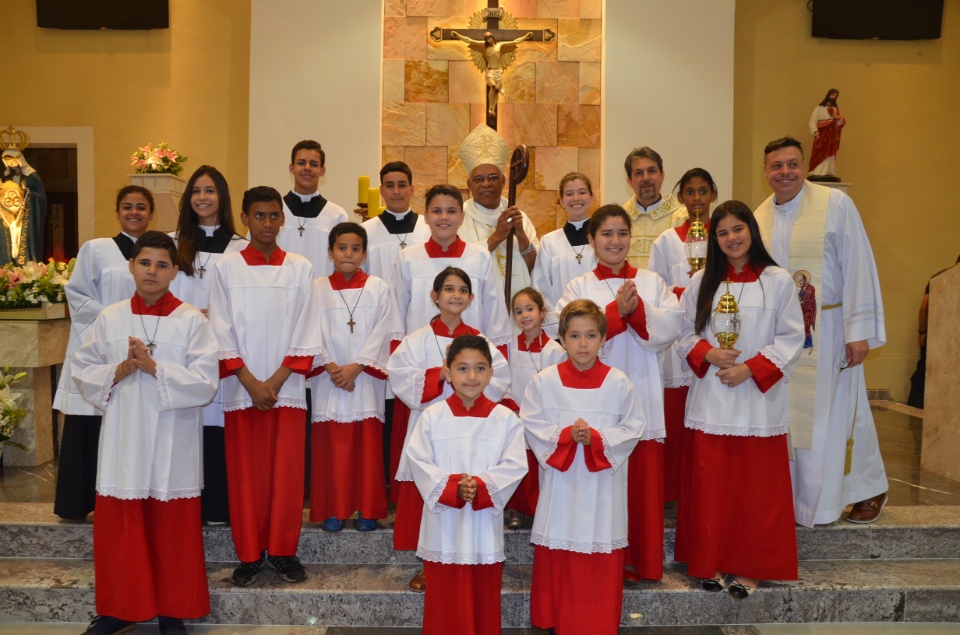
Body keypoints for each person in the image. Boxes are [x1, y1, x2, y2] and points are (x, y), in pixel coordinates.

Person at [72, 231, 218, 635]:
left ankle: (173, 609)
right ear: (131, 266)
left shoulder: (191, 320)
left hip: (174, 438)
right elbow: (84, 369)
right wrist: (118, 369)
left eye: (161, 264)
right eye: (144, 263)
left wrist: (155, 368)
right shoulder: (111, 317)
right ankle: (122, 610)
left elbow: (207, 382)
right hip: (125, 435)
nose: (152, 271)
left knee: (172, 529)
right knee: (124, 529)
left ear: (174, 272)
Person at [755, 136, 887, 527]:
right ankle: (800, 501)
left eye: (792, 164)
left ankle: (866, 488)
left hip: (828, 329)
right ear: (765, 172)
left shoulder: (835, 205)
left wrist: (858, 329)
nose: (785, 172)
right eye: (776, 165)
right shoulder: (759, 216)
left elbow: (858, 263)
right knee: (789, 419)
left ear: (803, 167)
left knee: (839, 412)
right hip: (782, 336)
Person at [674, 201, 803, 599]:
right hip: (712, 398)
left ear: (751, 230)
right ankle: (708, 562)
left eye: (738, 229)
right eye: (723, 232)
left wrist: (751, 369)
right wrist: (708, 354)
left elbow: (792, 338)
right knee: (713, 488)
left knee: (754, 492)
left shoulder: (778, 280)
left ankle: (749, 567)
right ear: (714, 240)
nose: (731, 238)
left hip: (756, 401)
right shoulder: (702, 282)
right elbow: (682, 334)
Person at [557, 204, 683, 582]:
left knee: (640, 485)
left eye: (622, 233)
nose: (615, 241)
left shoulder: (651, 281)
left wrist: (637, 311)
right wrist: (615, 312)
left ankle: (640, 561)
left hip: (640, 392)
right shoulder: (578, 286)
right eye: (606, 234)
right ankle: (601, 561)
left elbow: (670, 327)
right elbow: (566, 332)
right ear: (592, 240)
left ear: (631, 238)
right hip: (592, 400)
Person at [208, 186, 323, 586]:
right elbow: (219, 328)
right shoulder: (227, 268)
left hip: (285, 390)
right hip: (243, 391)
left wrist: (274, 381)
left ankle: (283, 551)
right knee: (246, 476)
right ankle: (250, 553)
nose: (268, 224)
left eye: (275, 216)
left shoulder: (300, 267)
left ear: (283, 219)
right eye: (259, 216)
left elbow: (308, 325)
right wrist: (248, 380)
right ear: (244, 218)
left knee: (287, 476)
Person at [521, 299, 644, 635]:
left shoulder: (618, 382)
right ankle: (554, 616)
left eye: (591, 335)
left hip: (602, 486)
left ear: (604, 339)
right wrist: (565, 435)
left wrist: (596, 438)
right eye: (574, 335)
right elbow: (530, 422)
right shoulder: (544, 381)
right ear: (561, 338)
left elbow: (634, 427)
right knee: (558, 543)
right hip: (562, 485)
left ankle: (597, 622)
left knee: (599, 548)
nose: (583, 343)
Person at [387, 267, 511, 592]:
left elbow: (500, 377)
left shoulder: (480, 341)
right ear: (435, 296)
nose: (455, 295)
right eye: (448, 289)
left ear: (470, 298)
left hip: (472, 432)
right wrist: (438, 376)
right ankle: (430, 565)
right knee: (431, 495)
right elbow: (398, 375)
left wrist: (470, 384)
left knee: (466, 493)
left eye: (462, 290)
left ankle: (469, 558)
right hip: (431, 429)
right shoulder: (417, 340)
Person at [406, 334, 527, 635]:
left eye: (480, 368)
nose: (471, 376)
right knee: (444, 599)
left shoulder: (505, 419)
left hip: (483, 522)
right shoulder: (432, 416)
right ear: (446, 373)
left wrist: (482, 486)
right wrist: (453, 487)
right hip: (443, 522)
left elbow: (514, 466)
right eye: (462, 368)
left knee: (482, 596)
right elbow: (418, 461)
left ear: (490, 373)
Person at [53, 185, 154, 521]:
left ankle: (122, 501)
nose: (134, 212)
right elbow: (78, 295)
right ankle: (78, 501)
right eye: (127, 206)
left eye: (141, 207)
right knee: (89, 424)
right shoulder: (97, 249)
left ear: (151, 213)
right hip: (99, 346)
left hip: (138, 349)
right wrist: (112, 321)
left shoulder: (155, 253)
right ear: (117, 212)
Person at [170, 165, 247, 525]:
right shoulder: (170, 244)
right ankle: (185, 505)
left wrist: (214, 314)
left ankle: (218, 505)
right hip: (181, 347)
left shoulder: (240, 248)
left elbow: (247, 303)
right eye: (196, 191)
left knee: (217, 427)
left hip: (224, 347)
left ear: (223, 198)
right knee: (187, 424)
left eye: (210, 190)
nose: (203, 197)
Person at [308, 223, 392, 532]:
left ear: (364, 253)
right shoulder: (316, 288)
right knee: (332, 449)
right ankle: (334, 509)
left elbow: (383, 332)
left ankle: (368, 509)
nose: (348, 254)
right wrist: (330, 365)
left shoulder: (378, 288)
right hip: (328, 382)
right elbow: (308, 330)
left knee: (366, 448)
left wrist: (357, 366)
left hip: (364, 381)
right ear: (330, 252)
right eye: (342, 248)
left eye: (355, 248)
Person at [648, 167, 718, 502]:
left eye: (703, 192)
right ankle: (675, 490)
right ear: (680, 199)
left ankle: (704, 487)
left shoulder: (724, 235)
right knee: (676, 417)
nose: (696, 200)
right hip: (679, 339)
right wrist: (686, 289)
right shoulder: (666, 241)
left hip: (714, 333)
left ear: (713, 195)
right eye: (689, 193)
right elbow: (655, 291)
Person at [502, 287, 567, 529]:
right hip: (515, 411)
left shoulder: (556, 351)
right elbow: (502, 379)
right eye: (518, 311)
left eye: (529, 309)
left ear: (542, 312)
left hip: (541, 416)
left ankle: (539, 507)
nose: (524, 315)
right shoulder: (508, 346)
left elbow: (558, 386)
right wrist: (512, 406)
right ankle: (516, 508)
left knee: (539, 462)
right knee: (518, 461)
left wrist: (537, 412)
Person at [457, 124, 539, 292]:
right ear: (469, 185)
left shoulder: (519, 216)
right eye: (479, 179)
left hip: (519, 311)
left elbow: (538, 270)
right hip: (478, 305)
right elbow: (459, 265)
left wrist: (522, 237)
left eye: (493, 177)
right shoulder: (459, 220)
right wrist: (497, 236)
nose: (486, 184)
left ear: (503, 182)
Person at [531, 172, 596, 338]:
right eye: (569, 194)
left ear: (592, 197)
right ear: (561, 200)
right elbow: (541, 288)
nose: (576, 198)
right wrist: (560, 326)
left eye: (582, 192)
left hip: (598, 326)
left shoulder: (603, 238)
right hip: (561, 329)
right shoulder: (549, 241)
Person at [275, 139, 349, 278]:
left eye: (314, 164)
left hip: (322, 295)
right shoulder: (274, 212)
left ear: (322, 171)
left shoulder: (336, 216)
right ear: (291, 168)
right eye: (301, 163)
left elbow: (344, 265)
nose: (307, 168)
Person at [361, 161, 431, 280]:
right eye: (389, 185)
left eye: (402, 185)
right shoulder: (366, 231)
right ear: (381, 191)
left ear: (412, 189)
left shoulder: (428, 228)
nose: (396, 191)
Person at [907, 255, 960, 408]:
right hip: (951, 338)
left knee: (925, 372)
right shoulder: (950, 278)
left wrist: (922, 332)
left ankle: (916, 410)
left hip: (934, 335)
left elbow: (924, 306)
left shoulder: (938, 277)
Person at [622, 146, 686, 269]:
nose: (646, 178)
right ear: (629, 181)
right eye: (639, 173)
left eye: (652, 171)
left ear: (662, 176)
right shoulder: (620, 219)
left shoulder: (682, 218)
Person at [451, 31, 533, 116]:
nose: (488, 40)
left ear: (492, 37)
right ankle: (490, 107)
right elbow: (469, 40)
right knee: (493, 86)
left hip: (498, 71)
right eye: (486, 39)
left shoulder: (500, 45)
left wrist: (526, 36)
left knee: (497, 89)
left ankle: (492, 109)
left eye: (489, 38)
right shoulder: (484, 46)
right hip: (490, 71)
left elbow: (515, 42)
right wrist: (458, 36)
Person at [1, 146, 47, 265]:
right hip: (8, 217)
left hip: (25, 217)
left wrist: (28, 193)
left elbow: (40, 197)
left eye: (13, 160)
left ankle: (25, 265)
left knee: (23, 240)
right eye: (7, 161)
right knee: (9, 242)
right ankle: (8, 264)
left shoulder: (32, 178)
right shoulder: (5, 178)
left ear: (19, 159)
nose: (11, 164)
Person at [808, 89, 845, 180]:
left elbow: (840, 123)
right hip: (822, 134)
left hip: (832, 135)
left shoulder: (835, 109)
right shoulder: (819, 108)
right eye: (832, 95)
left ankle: (828, 171)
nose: (834, 97)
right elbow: (812, 121)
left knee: (830, 152)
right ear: (828, 95)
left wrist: (837, 118)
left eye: (836, 96)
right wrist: (815, 131)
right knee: (820, 151)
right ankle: (817, 171)